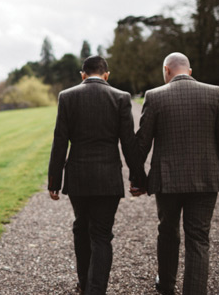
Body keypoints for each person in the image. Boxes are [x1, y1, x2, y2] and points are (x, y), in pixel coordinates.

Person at [133, 52, 219, 295]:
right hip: (205, 180)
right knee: (199, 239)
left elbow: (142, 143)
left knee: (167, 231)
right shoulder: (214, 93)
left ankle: (167, 285)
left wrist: (138, 180)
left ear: (166, 70)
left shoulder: (155, 96)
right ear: (189, 71)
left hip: (167, 180)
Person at [48, 55, 146, 295]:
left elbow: (60, 141)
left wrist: (54, 182)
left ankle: (84, 283)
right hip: (108, 177)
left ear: (82, 75)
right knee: (101, 234)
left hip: (78, 177)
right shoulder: (120, 97)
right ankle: (96, 290)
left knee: (81, 227)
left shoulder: (67, 97)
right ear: (106, 75)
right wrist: (137, 178)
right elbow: (128, 143)